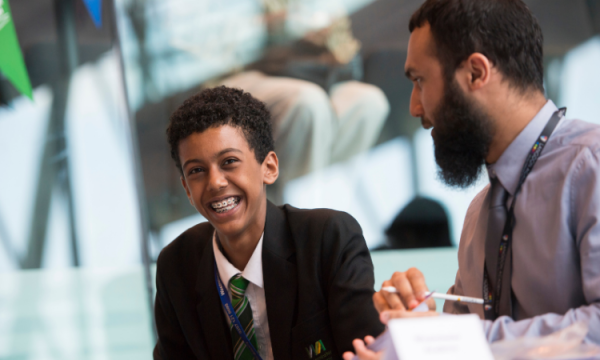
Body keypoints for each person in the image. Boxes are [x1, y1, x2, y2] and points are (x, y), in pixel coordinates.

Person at [344, 0, 600, 358]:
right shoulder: (480, 213)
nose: (415, 107)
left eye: (420, 81)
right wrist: (411, 330)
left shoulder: (591, 166)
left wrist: (468, 337)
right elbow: (459, 343)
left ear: (477, 73)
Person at [153, 86, 384, 360]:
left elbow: (368, 347)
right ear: (187, 190)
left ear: (269, 168)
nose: (215, 182)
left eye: (229, 162)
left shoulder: (327, 239)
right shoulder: (177, 267)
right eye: (197, 171)